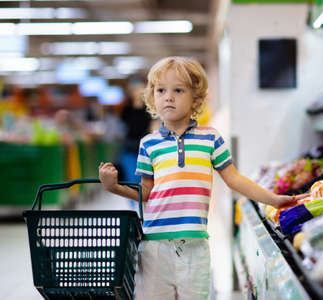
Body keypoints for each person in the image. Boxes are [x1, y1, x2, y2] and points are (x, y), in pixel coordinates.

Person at [98, 56, 301, 300]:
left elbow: (235, 179)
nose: (168, 96)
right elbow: (146, 192)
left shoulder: (210, 139)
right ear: (152, 97)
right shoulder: (148, 144)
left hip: (195, 247)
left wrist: (274, 200)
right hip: (154, 246)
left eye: (178, 90)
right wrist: (115, 187)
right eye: (161, 90)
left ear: (195, 98)